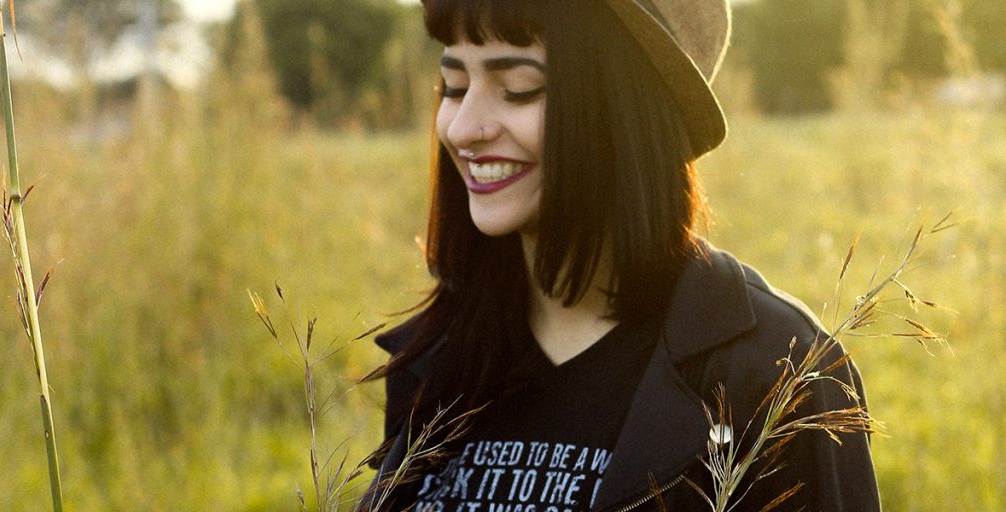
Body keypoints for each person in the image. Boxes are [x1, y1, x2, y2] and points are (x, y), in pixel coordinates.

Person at [361, 0, 881, 510]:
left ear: (625, 108)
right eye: (454, 86)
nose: (461, 127)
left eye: (517, 90)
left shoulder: (775, 372)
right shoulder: (437, 360)